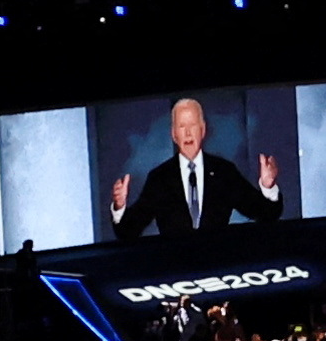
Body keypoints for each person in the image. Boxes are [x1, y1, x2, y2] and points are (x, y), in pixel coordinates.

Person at [111, 96, 283, 239]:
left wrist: (268, 187)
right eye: (181, 127)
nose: (187, 133)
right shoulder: (160, 178)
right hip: (176, 269)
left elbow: (266, 214)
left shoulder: (224, 172)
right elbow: (128, 231)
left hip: (217, 265)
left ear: (203, 130)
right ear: (173, 134)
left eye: (192, 125)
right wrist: (119, 207)